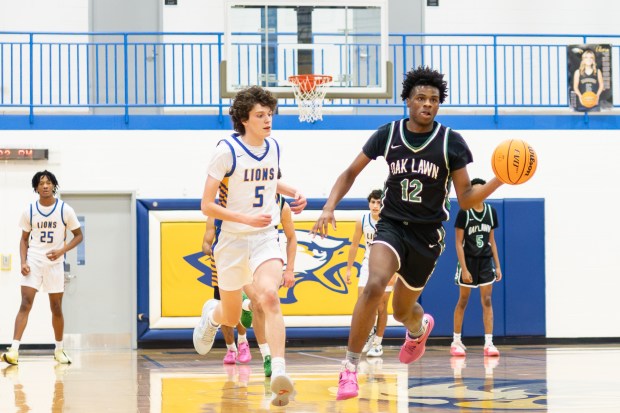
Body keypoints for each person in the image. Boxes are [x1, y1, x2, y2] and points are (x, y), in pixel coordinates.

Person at [311, 66, 503, 401]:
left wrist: (499, 179)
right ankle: (350, 368)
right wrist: (329, 206)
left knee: (402, 311)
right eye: (420, 98)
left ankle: (418, 329)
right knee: (373, 287)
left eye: (434, 99)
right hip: (391, 226)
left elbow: (466, 199)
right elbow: (350, 171)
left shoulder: (450, 142)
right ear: (407, 101)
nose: (427, 104)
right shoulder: (388, 134)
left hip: (427, 237)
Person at [193, 85, 306, 407]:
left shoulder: (273, 147)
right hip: (231, 240)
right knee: (230, 316)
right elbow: (206, 205)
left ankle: (280, 371)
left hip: (264, 236)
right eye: (260, 115)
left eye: (270, 114)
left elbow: (268, 181)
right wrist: (242, 218)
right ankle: (211, 317)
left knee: (269, 295)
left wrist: (292, 190)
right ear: (244, 119)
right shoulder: (225, 150)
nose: (268, 119)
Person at [1, 170, 83, 366]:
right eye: (41, 183)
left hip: (55, 263)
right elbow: (23, 240)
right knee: (25, 303)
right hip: (34, 261)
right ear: (36, 188)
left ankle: (59, 349)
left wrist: (61, 250)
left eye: (48, 182)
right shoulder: (29, 210)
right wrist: (23, 261)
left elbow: (79, 236)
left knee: (56, 308)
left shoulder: (65, 210)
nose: (45, 186)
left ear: (54, 185)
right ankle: (13, 349)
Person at [451, 178, 503, 358]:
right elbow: (458, 243)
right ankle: (456, 341)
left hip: (485, 262)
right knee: (463, 300)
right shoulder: (464, 212)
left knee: (487, 300)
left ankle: (489, 343)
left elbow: (492, 241)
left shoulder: (491, 212)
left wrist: (498, 265)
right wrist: (464, 269)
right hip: (469, 261)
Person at [345, 189, 396, 357]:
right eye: (373, 202)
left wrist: (396, 272)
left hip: (387, 266)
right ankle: (368, 336)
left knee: (382, 306)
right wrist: (349, 269)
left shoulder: (390, 221)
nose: (375, 206)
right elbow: (354, 245)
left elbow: (398, 248)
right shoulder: (362, 220)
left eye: (379, 202)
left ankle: (378, 342)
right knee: (363, 303)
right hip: (367, 264)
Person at [202, 217, 252, 366]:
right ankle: (230, 348)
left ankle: (243, 342)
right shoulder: (213, 216)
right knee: (223, 306)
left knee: (240, 304)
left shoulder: (243, 212)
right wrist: (209, 249)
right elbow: (205, 243)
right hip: (220, 265)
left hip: (239, 262)